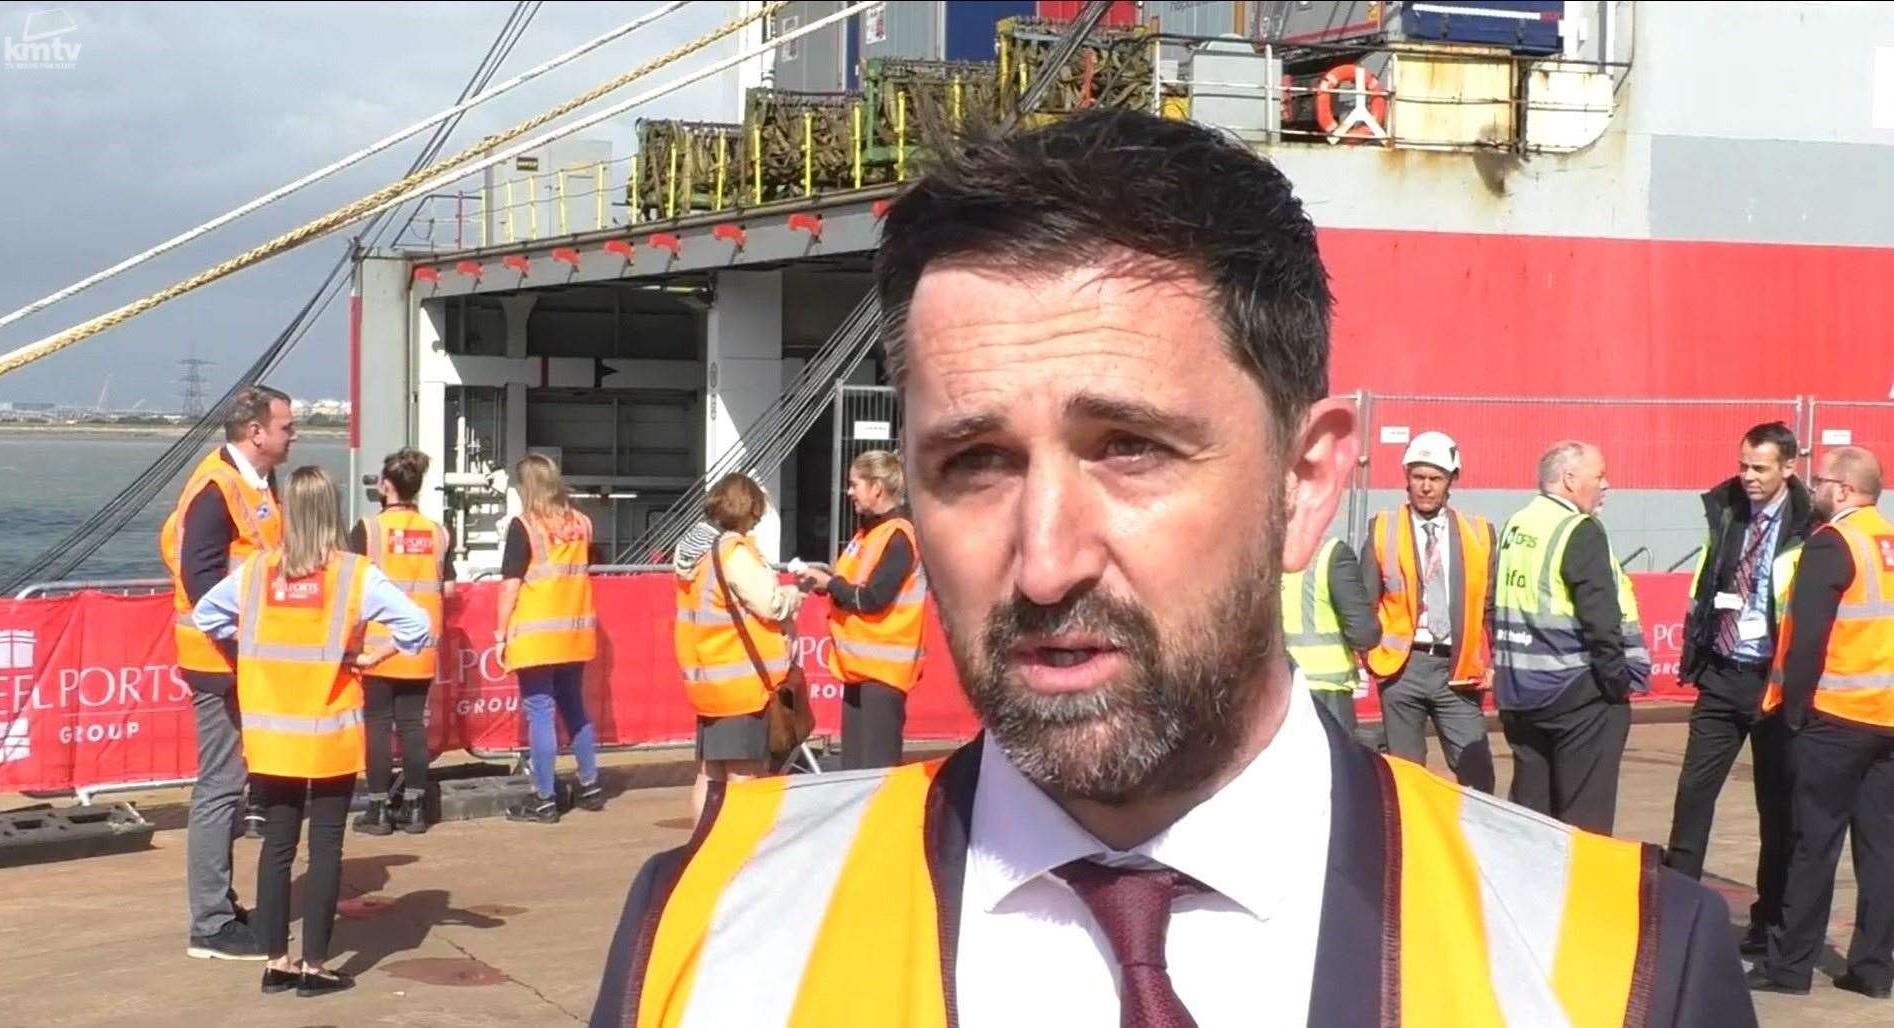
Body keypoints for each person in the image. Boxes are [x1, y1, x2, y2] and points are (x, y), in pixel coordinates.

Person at [591, 110, 1749, 1027]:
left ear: (1304, 482)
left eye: (1130, 447)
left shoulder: (1625, 967)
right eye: (976, 461)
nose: (1044, 562)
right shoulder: (702, 928)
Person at [192, 466, 431, 997]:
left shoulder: (256, 571)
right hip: (327, 735)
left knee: (276, 846)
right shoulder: (354, 574)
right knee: (325, 848)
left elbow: (207, 615)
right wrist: (371, 653)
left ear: (290, 515)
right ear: (333, 513)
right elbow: (418, 626)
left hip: (272, 734)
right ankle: (314, 965)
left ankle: (275, 960)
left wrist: (249, 641)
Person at [1749, 446, 1894, 1000]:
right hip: (1885, 721)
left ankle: (1789, 968)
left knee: (1813, 844)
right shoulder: (1886, 540)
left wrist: (1794, 711)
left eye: (1819, 481)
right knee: (1881, 849)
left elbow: (1807, 639)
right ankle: (1874, 968)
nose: (1813, 489)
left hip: (1836, 718)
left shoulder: (1832, 542)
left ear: (1843, 490)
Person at [1664, 421, 1811, 954]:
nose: (1747, 476)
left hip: (1773, 684)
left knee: (1777, 809)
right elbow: (1711, 580)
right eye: (1744, 464)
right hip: (1722, 674)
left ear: (1789, 468)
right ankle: (1677, 911)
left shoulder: (1809, 523)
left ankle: (1768, 920)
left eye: (1760, 468)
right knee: (1692, 794)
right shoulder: (1726, 509)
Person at [160, 384, 292, 961]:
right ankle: (209, 924)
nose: (293, 434)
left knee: (228, 787)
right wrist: (246, 646)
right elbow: (201, 579)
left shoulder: (253, 483)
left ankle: (218, 906)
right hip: (220, 663)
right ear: (256, 432)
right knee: (217, 789)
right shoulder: (218, 489)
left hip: (237, 658)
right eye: (286, 426)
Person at [1491, 441, 1651, 834]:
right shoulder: (1579, 529)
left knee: (1533, 819)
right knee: (1584, 825)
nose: (1606, 486)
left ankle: (1530, 892)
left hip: (1521, 693)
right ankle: (1580, 895)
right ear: (1569, 479)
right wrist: (1616, 684)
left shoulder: (1518, 523)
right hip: (1575, 696)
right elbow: (1601, 619)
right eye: (1599, 477)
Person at [1360, 431, 1498, 792]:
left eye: (1435, 478)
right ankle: (1412, 848)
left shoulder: (1480, 533)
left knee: (1477, 775)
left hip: (1458, 671)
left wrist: (1497, 662)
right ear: (1406, 477)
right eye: (1418, 477)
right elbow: (1365, 604)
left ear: (1451, 480)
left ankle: (1474, 846)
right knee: (1406, 780)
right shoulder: (1383, 527)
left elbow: (1491, 605)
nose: (1425, 487)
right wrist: (1372, 657)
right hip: (1401, 669)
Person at [673, 474, 804, 821]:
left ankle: (704, 844)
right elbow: (769, 603)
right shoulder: (732, 553)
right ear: (749, 509)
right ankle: (743, 851)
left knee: (710, 772)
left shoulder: (695, 552)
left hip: (709, 682)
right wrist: (793, 597)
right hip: (742, 685)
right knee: (744, 775)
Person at [348, 448, 455, 836]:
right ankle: (413, 807)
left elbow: (349, 585)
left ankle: (377, 809)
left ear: (386, 486)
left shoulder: (368, 529)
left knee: (377, 724)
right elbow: (450, 587)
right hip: (421, 646)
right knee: (412, 724)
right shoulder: (439, 533)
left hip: (376, 646)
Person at [800, 450, 928, 769]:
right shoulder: (867, 534)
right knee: (856, 772)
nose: (849, 492)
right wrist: (828, 583)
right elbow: (854, 587)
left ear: (877, 487)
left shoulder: (898, 536)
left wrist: (830, 585)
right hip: (859, 669)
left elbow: (873, 599)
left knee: (876, 772)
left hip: (882, 674)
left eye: (855, 484)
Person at [498, 453, 604, 824]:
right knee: (574, 706)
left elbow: (511, 586)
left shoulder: (524, 526)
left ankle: (543, 797)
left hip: (536, 635)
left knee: (540, 713)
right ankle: (590, 785)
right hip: (574, 632)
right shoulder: (583, 523)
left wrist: (500, 635)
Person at [1278, 533, 1378, 739]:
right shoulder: (1330, 554)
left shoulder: (1257, 552)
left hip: (1274, 687)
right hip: (1326, 687)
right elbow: (1363, 633)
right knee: (1333, 764)